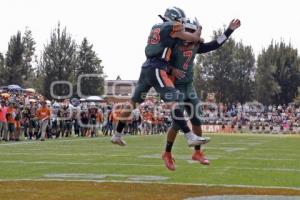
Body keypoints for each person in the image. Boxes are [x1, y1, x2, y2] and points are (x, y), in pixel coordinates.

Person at [111, 7, 210, 147]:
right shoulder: (171, 26)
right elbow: (193, 38)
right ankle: (190, 136)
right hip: (158, 68)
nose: (181, 24)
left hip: (146, 67)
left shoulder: (155, 27)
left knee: (133, 102)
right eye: (180, 21)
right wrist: (198, 31)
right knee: (174, 100)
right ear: (175, 18)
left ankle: (117, 134)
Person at [162, 18, 241, 170]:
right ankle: (167, 153)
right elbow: (159, 61)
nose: (190, 36)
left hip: (189, 86)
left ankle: (197, 153)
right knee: (177, 122)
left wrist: (229, 30)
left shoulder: (196, 45)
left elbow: (215, 44)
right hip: (174, 87)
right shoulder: (172, 44)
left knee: (197, 118)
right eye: (188, 31)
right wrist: (171, 70)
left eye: (193, 32)